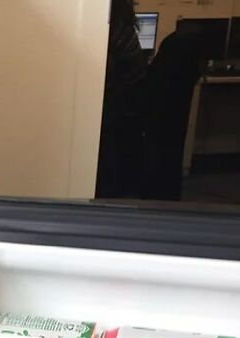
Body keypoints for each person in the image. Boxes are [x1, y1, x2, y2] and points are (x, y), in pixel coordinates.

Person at [96, 0, 149, 197]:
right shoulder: (124, 30)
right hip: (122, 115)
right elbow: (137, 75)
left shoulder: (109, 31)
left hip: (109, 113)